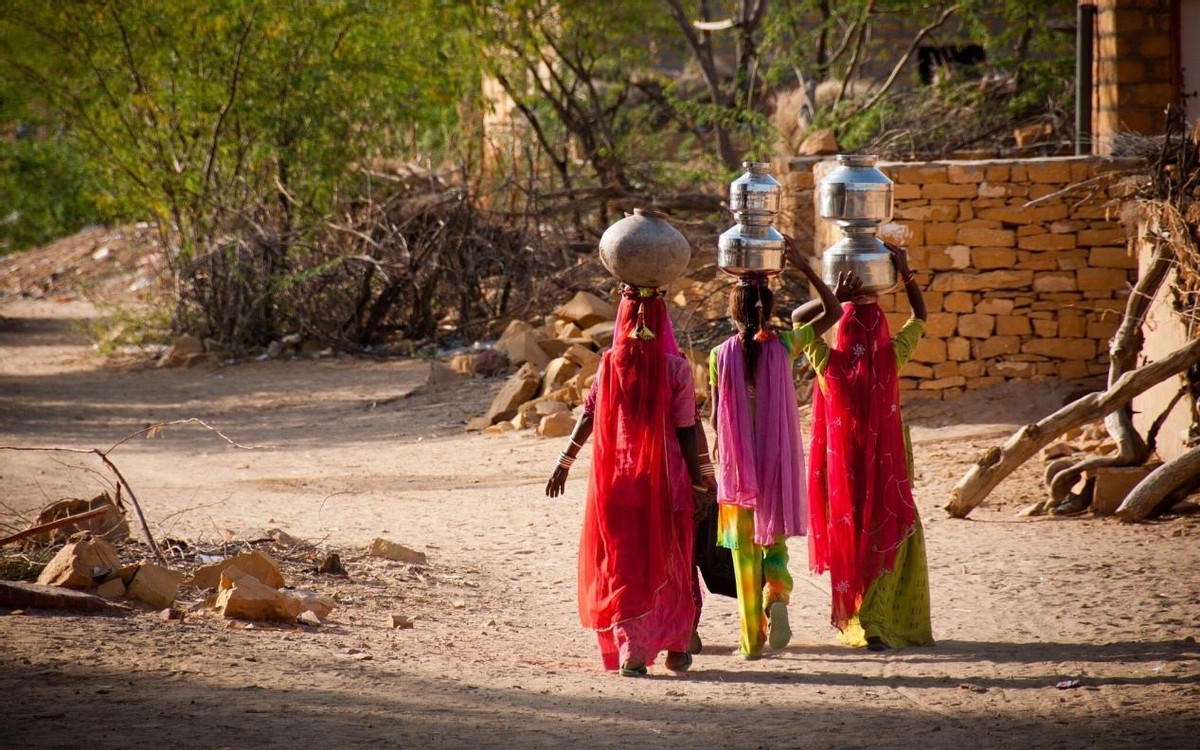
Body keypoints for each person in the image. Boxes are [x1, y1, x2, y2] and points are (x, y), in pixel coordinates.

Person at [546, 284, 713, 676]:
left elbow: (589, 416)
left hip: (619, 481)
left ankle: (632, 653)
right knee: (670, 561)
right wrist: (700, 482)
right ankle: (675, 648)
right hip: (667, 483)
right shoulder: (676, 369)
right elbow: (686, 429)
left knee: (625, 566)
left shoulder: (609, 365)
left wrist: (565, 461)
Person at [706, 238, 842, 660]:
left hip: (738, 469)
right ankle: (778, 596)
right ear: (769, 308)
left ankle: (751, 640)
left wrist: (722, 445)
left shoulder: (718, 355)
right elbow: (834, 312)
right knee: (774, 546)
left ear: (734, 312)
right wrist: (806, 268)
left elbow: (715, 416)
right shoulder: (784, 345)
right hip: (776, 463)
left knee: (743, 556)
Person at [800, 244, 935, 651]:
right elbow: (920, 316)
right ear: (882, 331)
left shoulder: (828, 364)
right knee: (889, 530)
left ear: (842, 332)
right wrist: (906, 271)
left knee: (855, 533)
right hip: (888, 465)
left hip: (845, 472)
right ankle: (877, 621)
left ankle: (862, 617)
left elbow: (798, 321)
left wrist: (833, 296)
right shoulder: (893, 357)